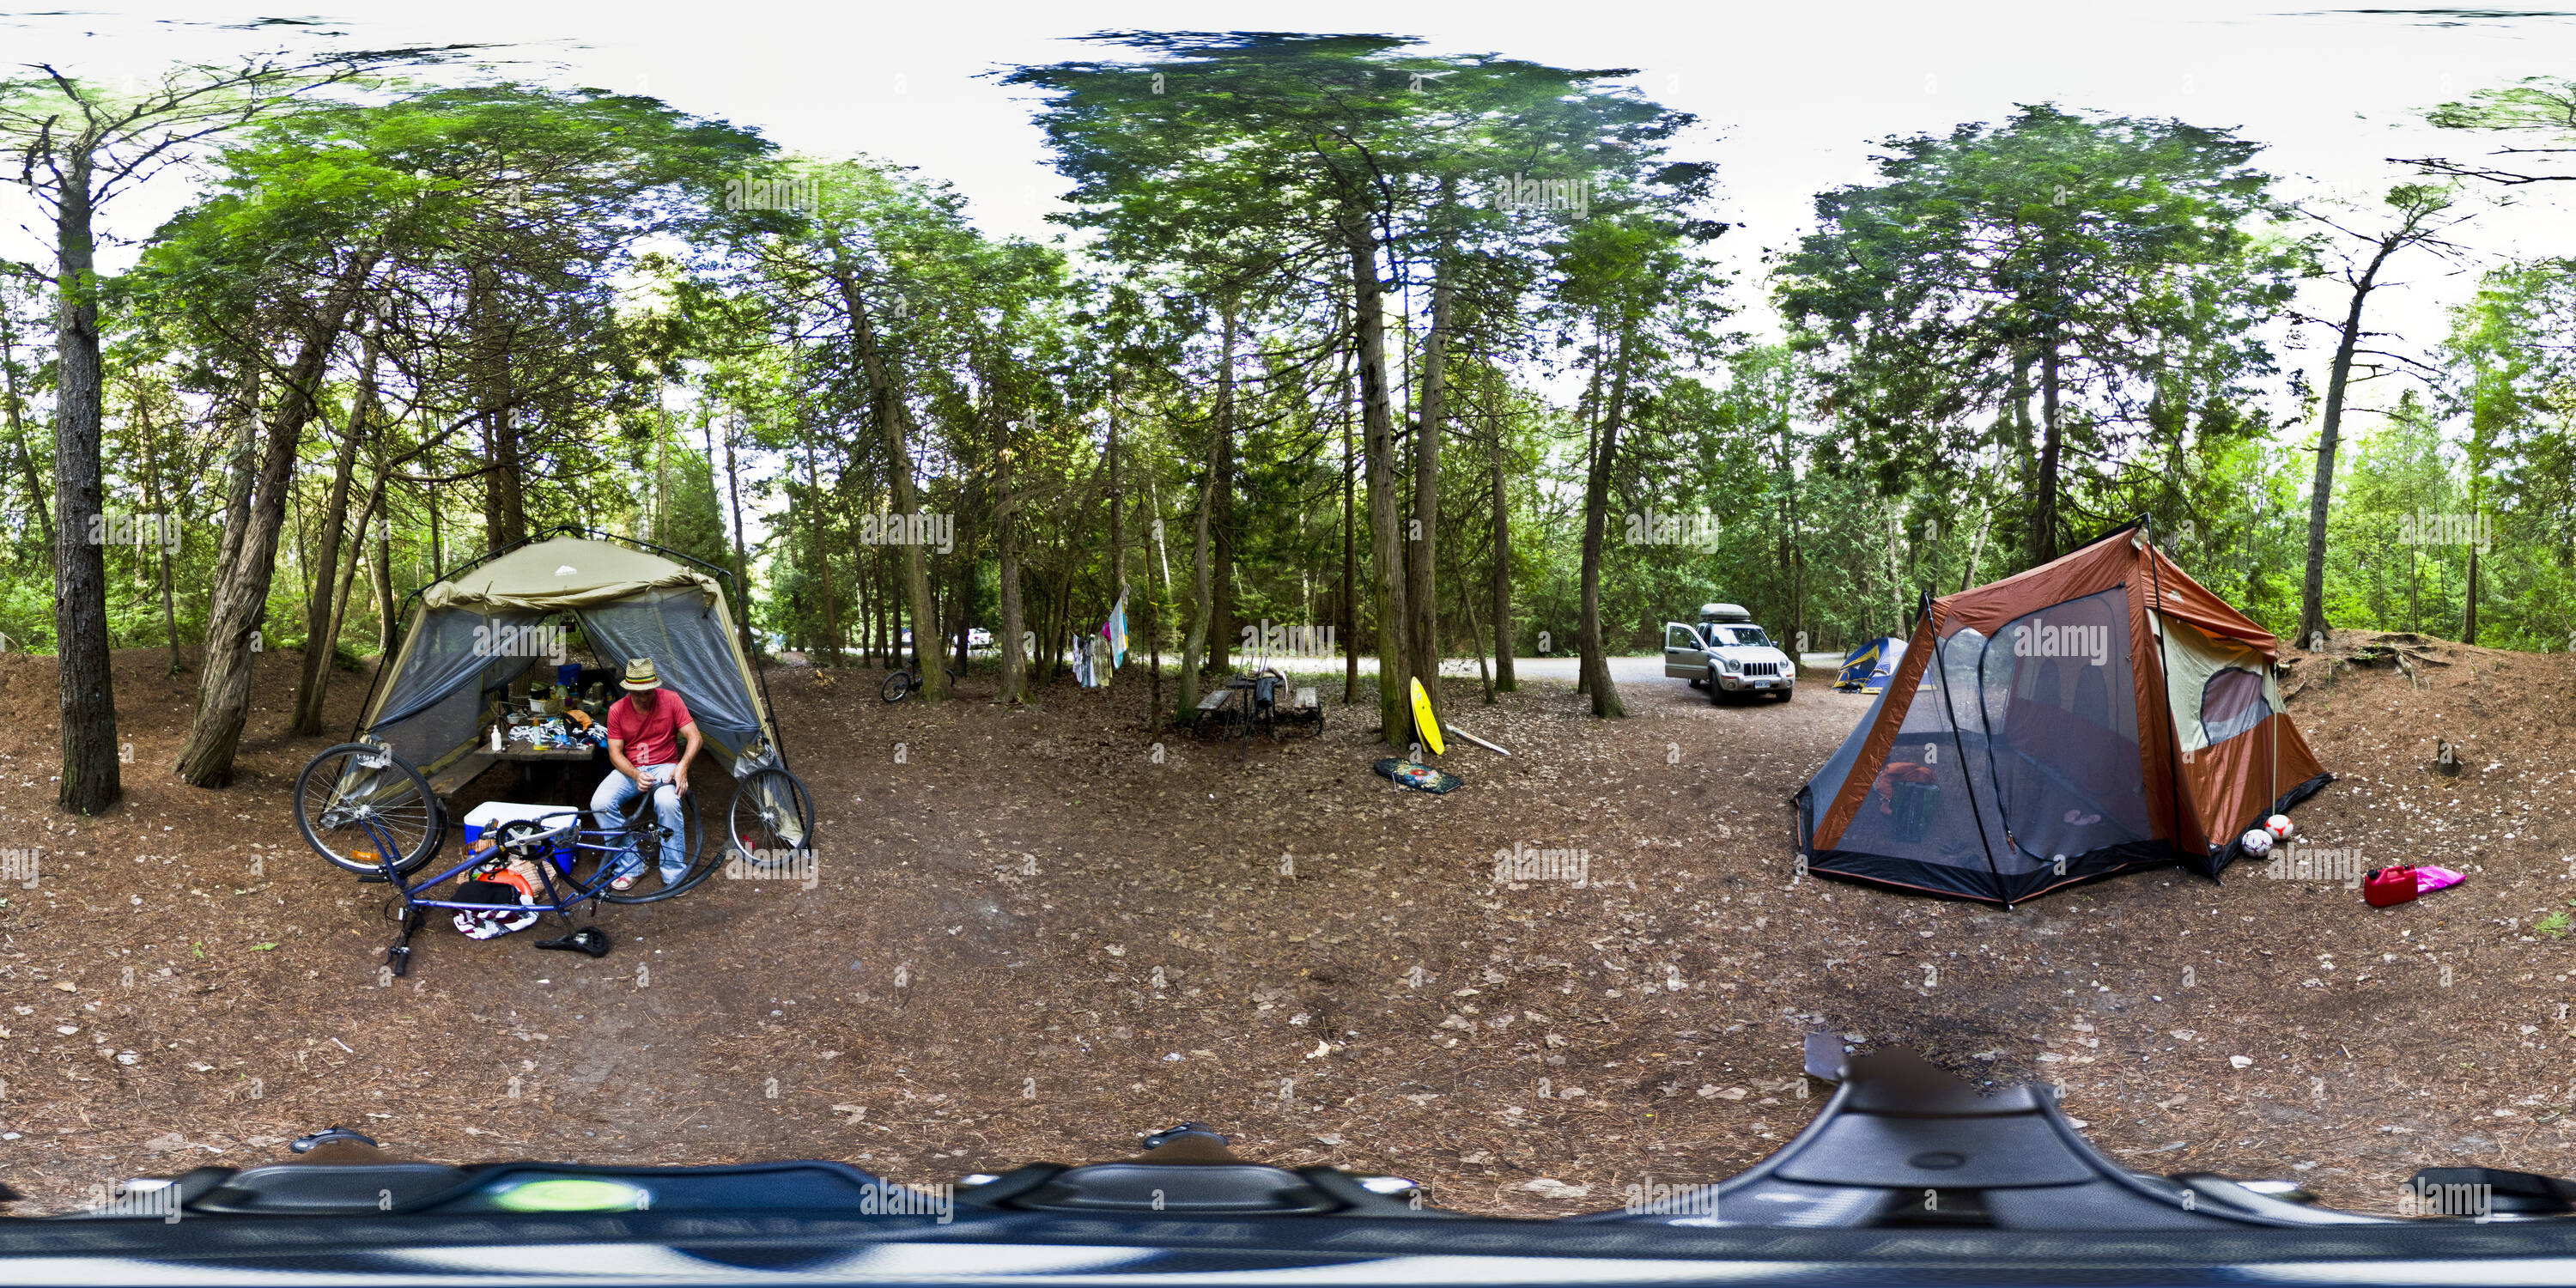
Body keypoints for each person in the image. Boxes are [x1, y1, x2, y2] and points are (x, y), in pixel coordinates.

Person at [592, 656, 702, 890]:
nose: (643, 697)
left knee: (667, 802)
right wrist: (634, 774)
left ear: (655, 686)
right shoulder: (617, 710)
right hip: (631, 769)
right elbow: (615, 753)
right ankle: (632, 865)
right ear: (629, 689)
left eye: (648, 691)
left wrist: (682, 766)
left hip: (665, 765)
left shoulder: (671, 700)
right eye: (637, 692)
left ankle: (674, 874)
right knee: (600, 803)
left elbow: (695, 737)